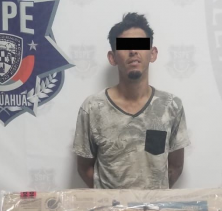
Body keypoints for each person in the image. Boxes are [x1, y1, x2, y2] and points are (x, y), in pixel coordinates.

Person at [73, 12, 190, 189]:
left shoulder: (171, 106)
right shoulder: (92, 108)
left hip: (155, 206)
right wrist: (110, 199)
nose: (133, 51)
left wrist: (151, 198)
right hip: (110, 207)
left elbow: (176, 167)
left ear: (153, 53)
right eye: (125, 46)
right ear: (112, 57)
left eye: (140, 45)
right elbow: (84, 168)